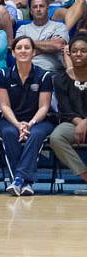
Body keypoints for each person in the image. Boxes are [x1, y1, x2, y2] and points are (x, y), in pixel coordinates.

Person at [0, 36, 54, 197]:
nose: (23, 51)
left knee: (35, 134)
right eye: (19, 48)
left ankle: (18, 179)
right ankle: (26, 182)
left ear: (34, 52)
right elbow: (4, 105)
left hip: (38, 120)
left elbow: (44, 106)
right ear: (13, 53)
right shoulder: (3, 74)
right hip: (11, 120)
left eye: (27, 47)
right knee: (8, 133)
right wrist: (18, 125)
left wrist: (30, 124)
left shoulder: (44, 76)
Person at [49, 34, 87, 192]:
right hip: (72, 123)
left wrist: (86, 122)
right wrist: (80, 123)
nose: (78, 54)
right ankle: (85, 174)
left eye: (83, 51)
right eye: (75, 51)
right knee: (56, 137)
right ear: (69, 53)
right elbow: (65, 109)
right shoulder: (60, 79)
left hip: (83, 123)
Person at [16, 0, 69, 73]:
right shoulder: (22, 29)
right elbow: (21, 51)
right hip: (28, 71)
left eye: (41, 6)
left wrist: (29, 44)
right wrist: (49, 45)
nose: (38, 9)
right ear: (31, 11)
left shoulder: (59, 26)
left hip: (53, 72)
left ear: (47, 9)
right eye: (35, 7)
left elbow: (58, 45)